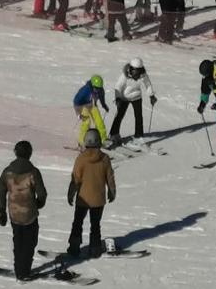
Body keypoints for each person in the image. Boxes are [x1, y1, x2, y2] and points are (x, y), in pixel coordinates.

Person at [0, 140, 47, 280]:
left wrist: (1, 210)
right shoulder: (33, 172)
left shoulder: (7, 172)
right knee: (29, 242)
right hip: (29, 214)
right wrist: (38, 204)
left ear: (16, 152)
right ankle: (24, 271)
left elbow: (1, 190)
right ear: (30, 154)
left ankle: (18, 268)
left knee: (18, 240)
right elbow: (42, 193)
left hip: (14, 213)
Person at [66, 128, 116, 260]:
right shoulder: (104, 158)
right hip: (98, 199)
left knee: (77, 222)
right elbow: (110, 178)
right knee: (95, 224)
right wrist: (112, 192)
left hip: (83, 199)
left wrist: (71, 193)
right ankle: (95, 249)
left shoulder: (81, 159)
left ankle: (74, 247)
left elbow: (75, 179)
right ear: (99, 141)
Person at [109, 58, 156, 145]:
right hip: (124, 97)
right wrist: (118, 98)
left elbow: (148, 84)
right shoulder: (125, 75)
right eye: (135, 70)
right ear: (131, 69)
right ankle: (113, 134)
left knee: (138, 116)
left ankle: (138, 136)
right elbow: (118, 86)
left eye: (139, 70)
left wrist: (151, 95)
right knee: (119, 115)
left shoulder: (143, 75)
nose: (137, 73)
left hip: (136, 96)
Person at [73, 75, 109, 147]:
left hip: (92, 105)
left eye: (99, 88)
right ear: (92, 86)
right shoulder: (85, 91)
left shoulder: (100, 90)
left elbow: (101, 97)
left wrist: (104, 105)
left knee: (99, 122)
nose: (97, 90)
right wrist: (78, 114)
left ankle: (103, 139)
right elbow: (76, 102)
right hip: (82, 105)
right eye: (96, 88)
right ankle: (81, 142)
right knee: (86, 122)